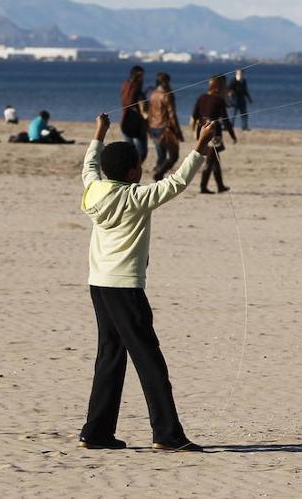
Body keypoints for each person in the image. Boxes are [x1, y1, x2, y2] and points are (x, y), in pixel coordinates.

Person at [77, 112, 215, 452]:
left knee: (110, 355)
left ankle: (97, 433)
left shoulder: (94, 189)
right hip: (124, 288)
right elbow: (176, 183)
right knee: (149, 361)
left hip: (99, 284)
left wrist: (98, 133)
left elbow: (89, 166)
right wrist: (199, 147)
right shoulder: (135, 199)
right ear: (132, 172)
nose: (142, 170)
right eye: (138, 166)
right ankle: (167, 435)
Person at [191, 76, 236, 194]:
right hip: (213, 133)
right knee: (211, 159)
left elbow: (194, 117)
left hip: (202, 131)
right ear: (219, 87)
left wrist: (195, 133)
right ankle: (203, 186)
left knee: (215, 159)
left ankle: (220, 186)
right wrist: (233, 135)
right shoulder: (219, 100)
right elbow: (226, 121)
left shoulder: (201, 97)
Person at [147, 72, 183, 181]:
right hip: (164, 128)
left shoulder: (153, 94)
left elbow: (150, 112)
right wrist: (177, 130)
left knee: (161, 156)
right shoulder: (166, 95)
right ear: (166, 82)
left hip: (153, 127)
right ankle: (158, 174)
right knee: (173, 156)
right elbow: (172, 114)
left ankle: (158, 177)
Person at [119, 66, 148, 164]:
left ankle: (128, 171)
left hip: (124, 119)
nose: (142, 79)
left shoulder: (125, 84)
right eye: (141, 76)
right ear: (138, 76)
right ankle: (133, 170)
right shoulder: (136, 86)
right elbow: (138, 104)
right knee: (141, 152)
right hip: (135, 122)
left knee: (129, 150)